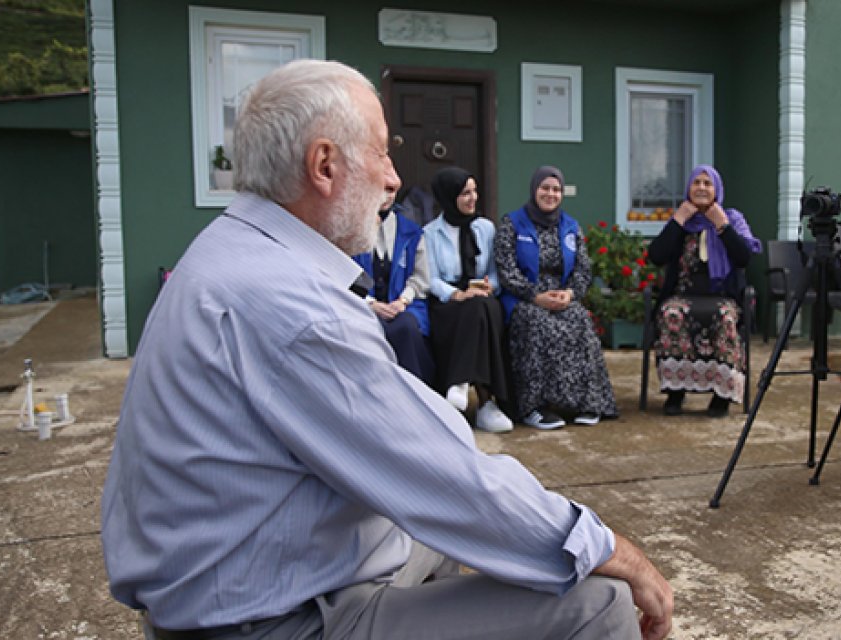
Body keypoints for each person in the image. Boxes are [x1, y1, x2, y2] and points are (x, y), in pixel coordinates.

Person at [100, 60, 672, 640]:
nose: (396, 179)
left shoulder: (227, 251)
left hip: (237, 580)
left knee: (438, 536)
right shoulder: (294, 305)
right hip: (271, 621)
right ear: (324, 165)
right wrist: (615, 550)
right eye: (381, 153)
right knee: (601, 600)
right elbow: (448, 478)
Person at [494, 166, 619, 429]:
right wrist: (535, 296)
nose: (550, 194)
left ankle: (587, 403)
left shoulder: (571, 226)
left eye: (556, 189)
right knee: (537, 324)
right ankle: (535, 408)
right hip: (524, 298)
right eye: (545, 188)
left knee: (580, 320)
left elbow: (583, 268)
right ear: (534, 189)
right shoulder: (512, 223)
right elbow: (506, 269)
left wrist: (570, 293)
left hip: (562, 296)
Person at [646, 164, 762, 417]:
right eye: (696, 183)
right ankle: (676, 392)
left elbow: (744, 258)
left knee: (724, 316)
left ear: (717, 189)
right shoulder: (681, 221)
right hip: (683, 294)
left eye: (707, 184)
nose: (701, 188)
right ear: (688, 188)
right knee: (670, 313)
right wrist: (678, 220)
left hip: (723, 297)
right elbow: (656, 256)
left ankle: (721, 396)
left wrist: (722, 225)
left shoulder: (732, 218)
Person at [423, 166, 514, 433]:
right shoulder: (430, 233)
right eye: (465, 193)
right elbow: (431, 278)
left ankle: (460, 382)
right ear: (449, 196)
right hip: (449, 304)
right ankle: (487, 403)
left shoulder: (485, 228)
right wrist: (457, 294)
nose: (473, 198)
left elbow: (496, 274)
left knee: (481, 307)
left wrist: (488, 286)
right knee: (475, 309)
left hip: (483, 299)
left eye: (474, 192)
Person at [352, 186, 436, 385]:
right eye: (381, 189)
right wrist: (371, 304)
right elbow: (346, 275)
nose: (387, 196)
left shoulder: (411, 232)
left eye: (391, 190)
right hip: (364, 305)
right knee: (369, 329)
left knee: (407, 325)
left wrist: (403, 300)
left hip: (405, 304)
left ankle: (418, 388)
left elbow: (420, 278)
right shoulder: (352, 231)